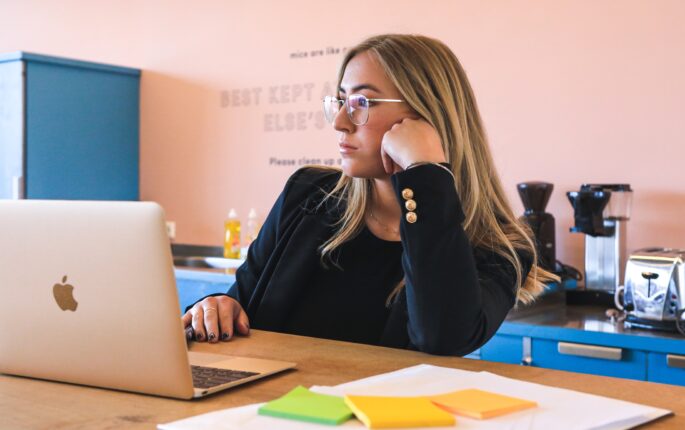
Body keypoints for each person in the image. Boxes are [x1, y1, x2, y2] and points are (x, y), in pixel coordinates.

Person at [183, 34, 557, 356]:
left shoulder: (498, 246)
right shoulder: (307, 195)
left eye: (362, 103)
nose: (340, 121)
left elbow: (443, 337)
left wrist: (425, 173)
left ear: (426, 116)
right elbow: (241, 302)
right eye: (341, 100)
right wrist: (220, 306)